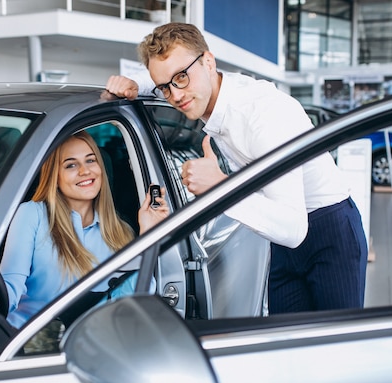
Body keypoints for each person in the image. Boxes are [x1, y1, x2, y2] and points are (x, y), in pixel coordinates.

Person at [105, 23, 367, 314]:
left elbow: (294, 229)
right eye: (164, 88)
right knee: (288, 346)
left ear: (209, 62)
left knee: (338, 348)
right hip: (280, 235)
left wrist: (219, 188)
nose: (176, 95)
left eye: (181, 79)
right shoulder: (206, 85)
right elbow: (169, 74)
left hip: (328, 229)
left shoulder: (262, 116)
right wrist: (134, 84)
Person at [0, 130, 169, 327]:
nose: (85, 171)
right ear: (55, 176)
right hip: (32, 343)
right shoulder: (32, 214)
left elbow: (135, 303)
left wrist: (147, 234)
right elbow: (10, 287)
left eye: (90, 160)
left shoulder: (120, 233)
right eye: (71, 165)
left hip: (92, 345)